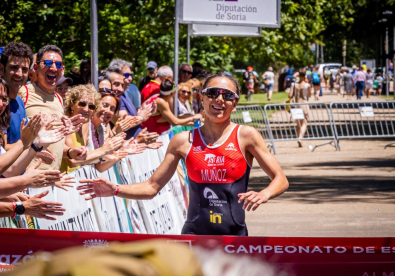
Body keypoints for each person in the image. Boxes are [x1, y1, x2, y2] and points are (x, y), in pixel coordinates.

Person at [78, 73, 289, 236]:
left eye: (228, 96)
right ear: (202, 98)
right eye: (213, 93)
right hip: (194, 236)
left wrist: (264, 194)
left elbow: (280, 179)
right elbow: (152, 187)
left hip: (234, 237)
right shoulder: (182, 141)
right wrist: (114, 189)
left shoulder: (246, 136)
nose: (220, 99)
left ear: (235, 103)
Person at [0, 75, 65, 178]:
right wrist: (23, 142)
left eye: (4, 99)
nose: (0, 104)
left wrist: (36, 145)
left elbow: (11, 171)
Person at [18, 45, 86, 170]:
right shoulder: (24, 93)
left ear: (63, 69)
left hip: (53, 180)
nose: (54, 68)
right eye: (48, 63)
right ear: (36, 67)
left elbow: (56, 145)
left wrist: (70, 152)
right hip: (28, 180)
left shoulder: (59, 99)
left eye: (58, 64)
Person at [0, 42, 33, 147]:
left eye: (24, 70)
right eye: (14, 67)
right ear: (2, 69)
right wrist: (33, 148)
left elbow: (25, 137)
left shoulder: (19, 101)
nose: (19, 74)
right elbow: (0, 148)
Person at [291, 70, 310, 147]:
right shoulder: (307, 85)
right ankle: (300, 138)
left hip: (296, 105)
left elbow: (290, 95)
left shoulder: (294, 85)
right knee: (304, 122)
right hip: (304, 104)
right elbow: (309, 95)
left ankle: (300, 140)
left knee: (298, 124)